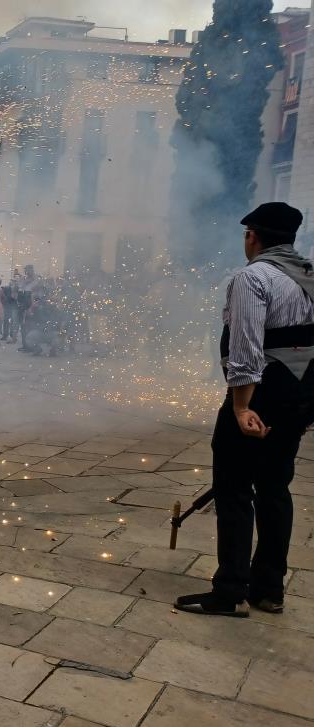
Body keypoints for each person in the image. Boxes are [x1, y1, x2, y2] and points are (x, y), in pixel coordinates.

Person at [178, 203, 314, 618]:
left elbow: (246, 349)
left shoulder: (252, 278)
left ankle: (229, 590)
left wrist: (240, 407)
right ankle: (269, 589)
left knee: (235, 489)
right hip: (299, 394)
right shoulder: (310, 275)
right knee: (275, 488)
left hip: (262, 394)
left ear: (252, 237)